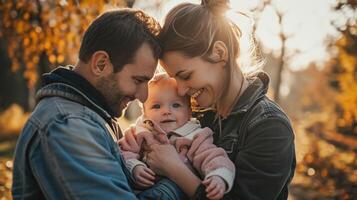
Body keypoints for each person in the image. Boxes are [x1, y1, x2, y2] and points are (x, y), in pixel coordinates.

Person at [12, 9, 184, 200]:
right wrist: (179, 177)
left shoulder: (94, 116)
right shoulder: (68, 125)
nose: (144, 97)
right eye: (138, 80)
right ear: (101, 64)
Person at [144, 0, 296, 199]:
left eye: (186, 75)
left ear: (219, 53)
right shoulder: (193, 115)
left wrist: (176, 170)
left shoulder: (269, 126)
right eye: (175, 79)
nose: (180, 90)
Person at [119, 73, 235, 200]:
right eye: (156, 106)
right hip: (139, 189)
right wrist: (134, 166)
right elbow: (122, 152)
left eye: (176, 105)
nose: (166, 111)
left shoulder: (195, 136)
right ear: (145, 112)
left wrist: (217, 176)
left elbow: (212, 156)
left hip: (176, 190)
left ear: (189, 111)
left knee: (169, 188)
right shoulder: (139, 132)